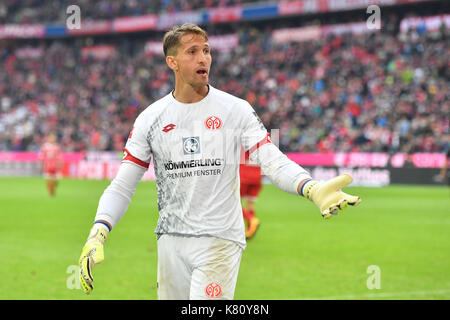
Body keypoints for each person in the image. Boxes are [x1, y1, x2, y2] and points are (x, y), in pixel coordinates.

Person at [78, 23, 361, 300]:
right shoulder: (150, 119)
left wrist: (311, 188)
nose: (203, 57)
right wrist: (97, 233)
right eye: (192, 52)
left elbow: (272, 160)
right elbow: (123, 185)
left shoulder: (235, 110)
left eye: (207, 50)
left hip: (220, 239)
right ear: (172, 62)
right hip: (170, 239)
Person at [240, 148, 262, 240]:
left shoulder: (241, 144)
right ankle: (249, 230)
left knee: (234, 202)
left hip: (244, 177)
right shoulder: (260, 144)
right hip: (257, 177)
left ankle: (251, 220)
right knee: (250, 204)